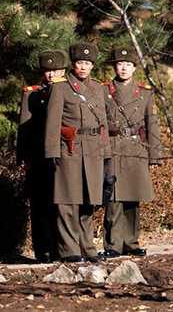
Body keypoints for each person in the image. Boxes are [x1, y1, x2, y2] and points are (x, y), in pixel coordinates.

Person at [44, 42, 111, 263]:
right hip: (69, 150)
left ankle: (87, 248)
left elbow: (103, 123)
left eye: (88, 63)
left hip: (93, 150)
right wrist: (52, 151)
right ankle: (68, 250)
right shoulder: (60, 87)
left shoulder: (98, 88)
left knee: (88, 203)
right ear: (73, 64)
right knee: (67, 203)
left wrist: (107, 152)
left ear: (92, 66)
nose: (83, 67)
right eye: (80, 62)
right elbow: (52, 122)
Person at [102, 46, 162, 258]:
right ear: (115, 67)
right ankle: (112, 245)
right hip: (113, 148)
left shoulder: (145, 93)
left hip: (136, 149)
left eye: (128, 65)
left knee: (132, 200)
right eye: (120, 64)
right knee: (113, 199)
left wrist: (155, 155)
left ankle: (131, 242)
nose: (124, 68)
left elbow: (152, 125)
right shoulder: (104, 90)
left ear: (135, 68)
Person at [17, 50, 68, 263]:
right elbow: (24, 129)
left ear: (63, 70)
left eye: (55, 70)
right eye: (47, 70)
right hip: (39, 157)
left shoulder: (70, 91)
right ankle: (43, 250)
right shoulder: (33, 94)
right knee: (40, 205)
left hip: (64, 156)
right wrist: (24, 158)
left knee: (63, 204)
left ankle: (62, 248)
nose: (51, 74)